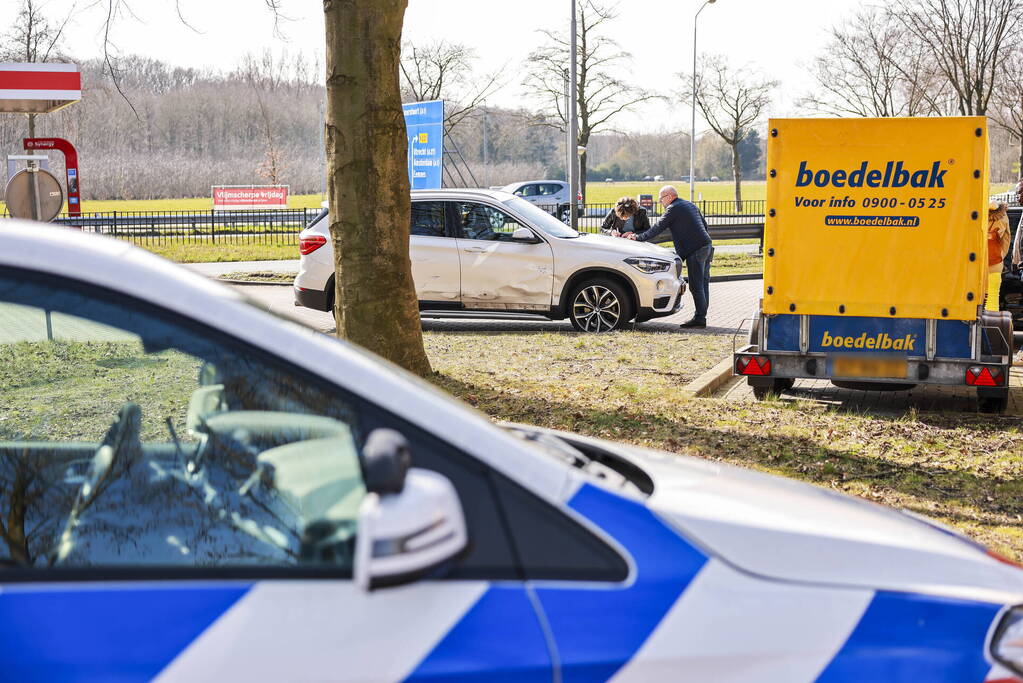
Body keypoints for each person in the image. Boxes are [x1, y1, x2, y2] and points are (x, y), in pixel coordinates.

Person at [625, 185, 713, 328]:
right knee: (703, 284)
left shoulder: (673, 209)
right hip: (706, 246)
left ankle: (700, 318)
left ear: (670, 196)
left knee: (696, 286)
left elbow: (657, 228)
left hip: (695, 250)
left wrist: (638, 238)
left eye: (661, 199)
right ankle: (701, 316)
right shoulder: (689, 204)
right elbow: (704, 225)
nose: (660, 203)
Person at [988, 200, 1011, 311]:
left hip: (976, 262)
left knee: (977, 298)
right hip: (995, 262)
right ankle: (990, 324)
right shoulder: (1003, 218)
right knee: (993, 296)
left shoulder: (977, 215)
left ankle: (976, 325)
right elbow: (1006, 239)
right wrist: (1001, 255)